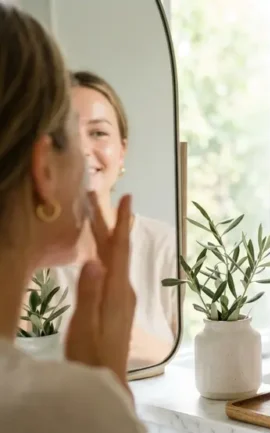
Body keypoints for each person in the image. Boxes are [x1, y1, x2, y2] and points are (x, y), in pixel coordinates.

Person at [0, 4, 149, 433]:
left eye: (98, 134)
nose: (86, 157)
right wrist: (104, 387)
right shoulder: (62, 413)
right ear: (44, 169)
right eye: (72, 132)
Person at [50, 70, 179, 369]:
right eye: (65, 134)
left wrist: (151, 348)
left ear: (122, 151)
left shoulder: (163, 246)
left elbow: (189, 367)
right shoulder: (26, 259)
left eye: (98, 133)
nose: (83, 149)